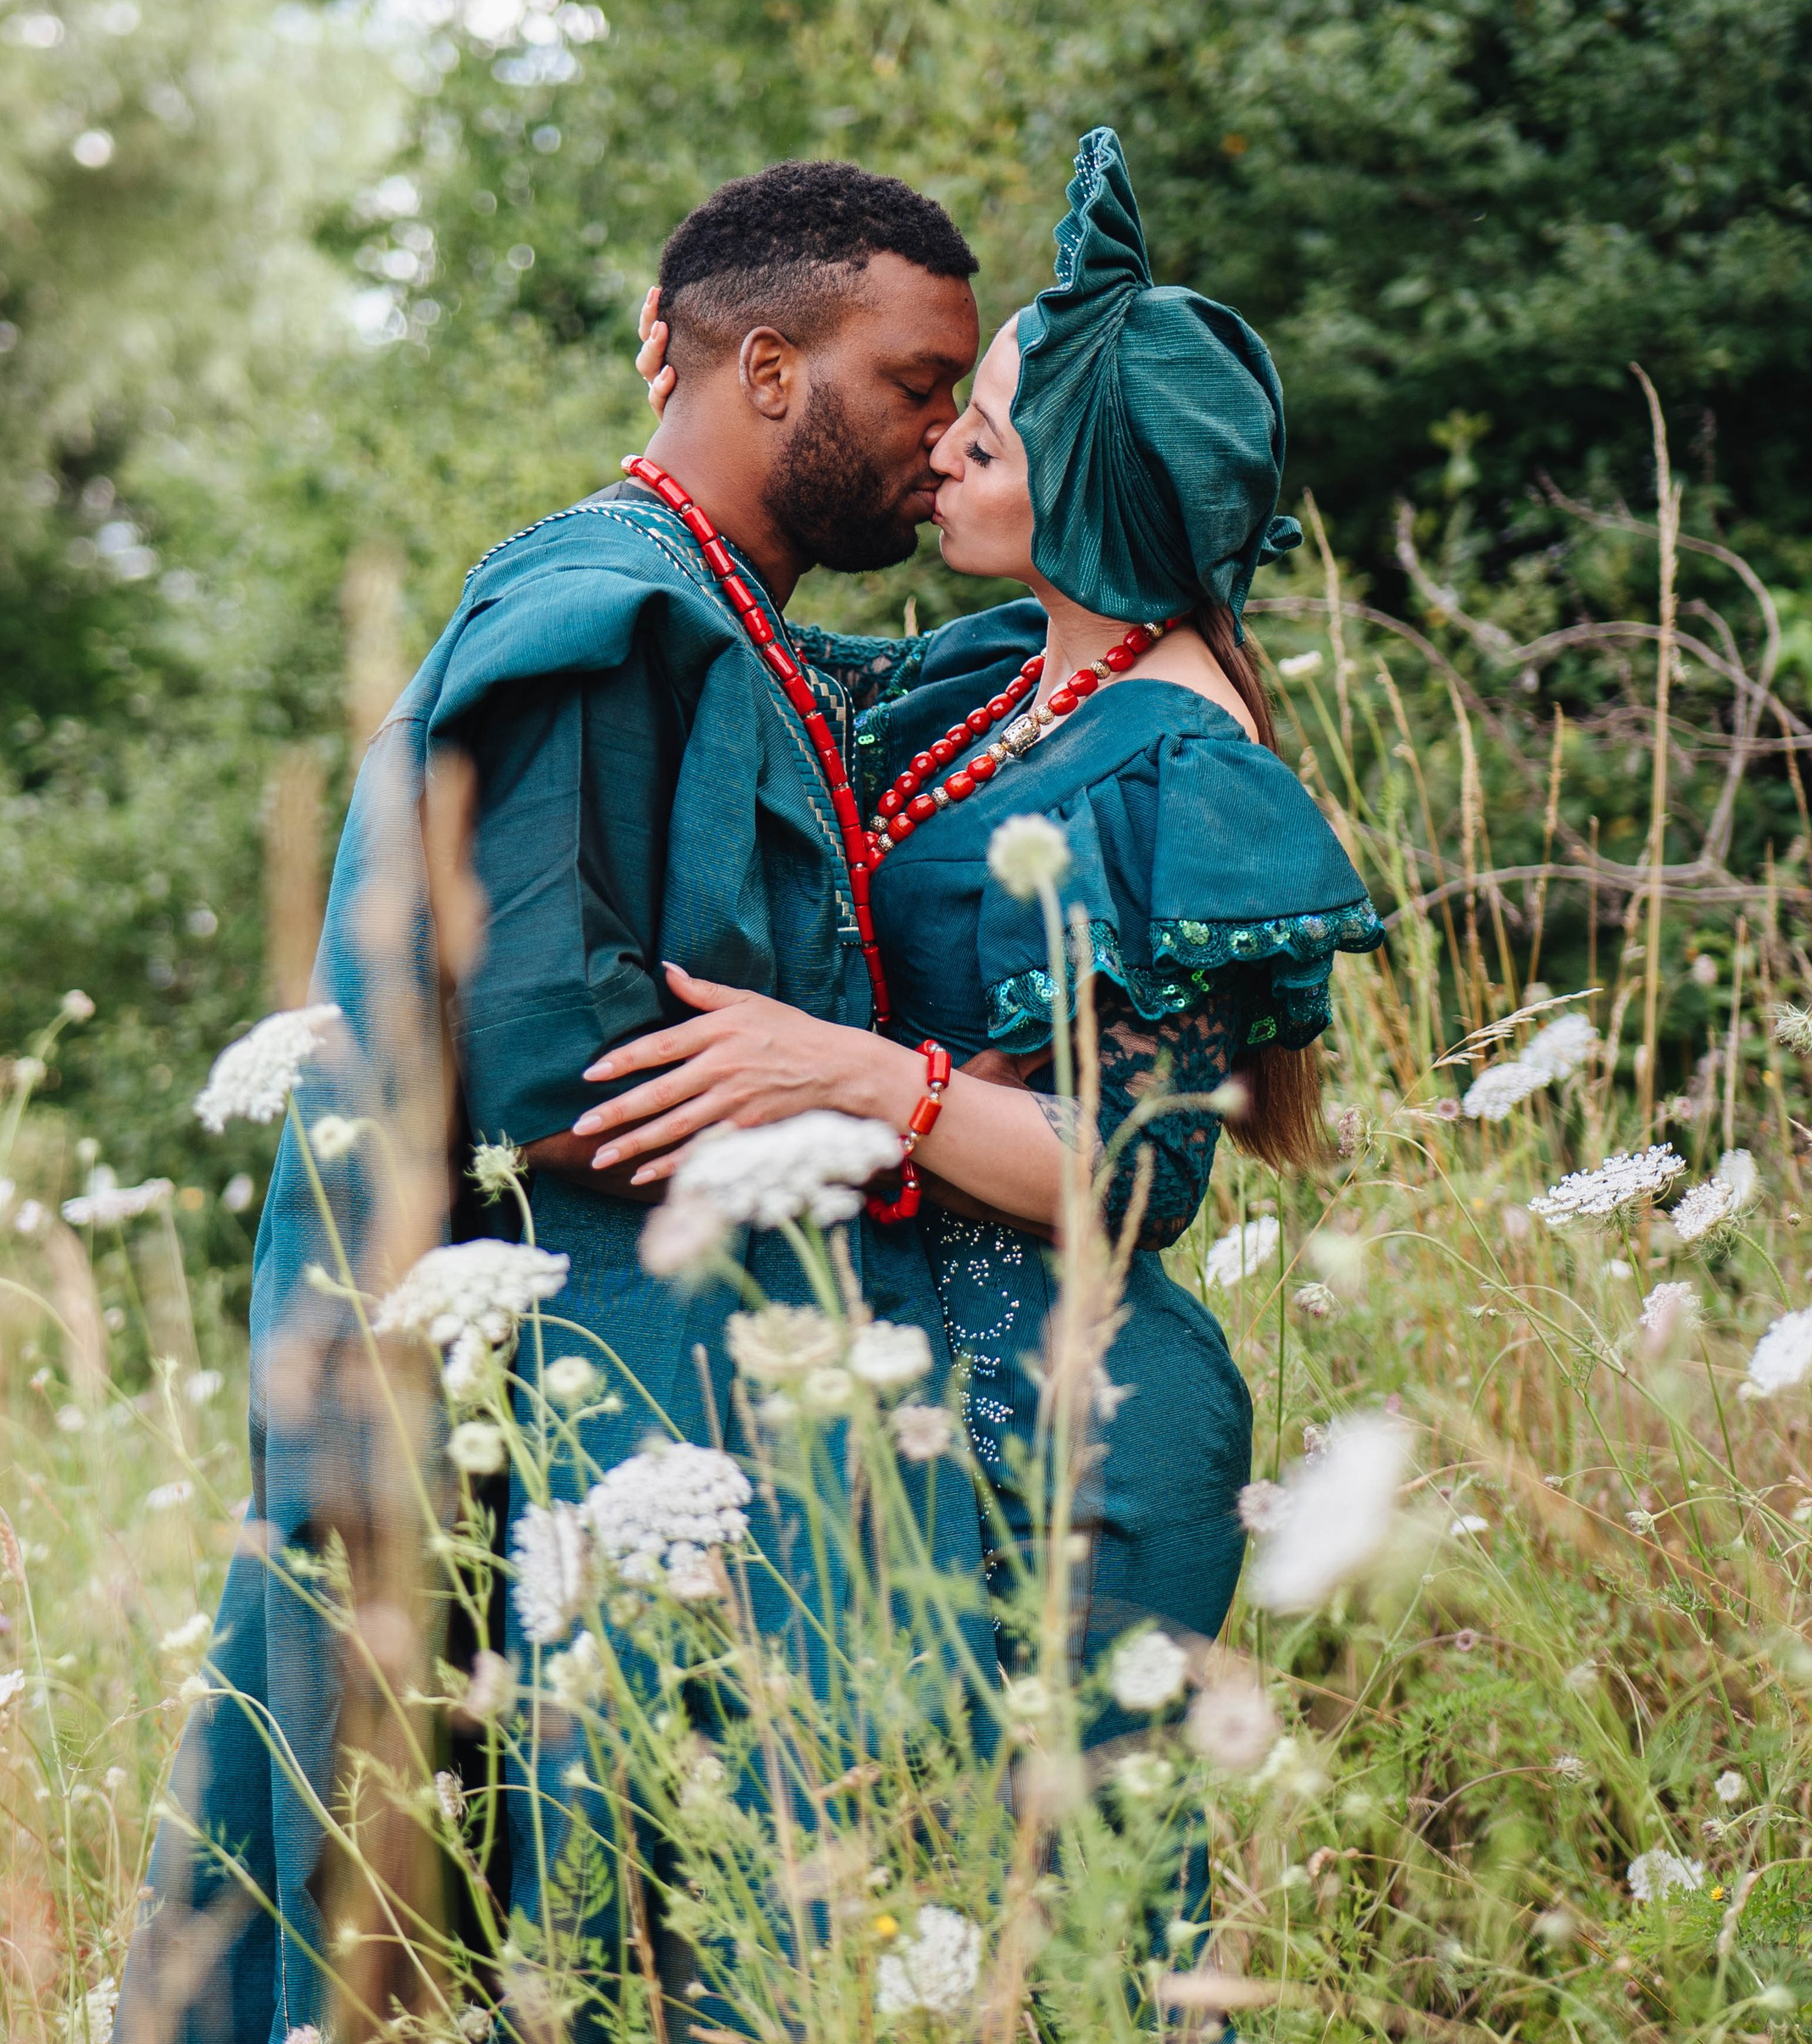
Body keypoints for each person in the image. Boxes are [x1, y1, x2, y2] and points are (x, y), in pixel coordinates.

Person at [94, 160, 987, 2044]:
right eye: (914, 383)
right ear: (758, 364)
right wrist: (875, 1128)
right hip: (500, 1433)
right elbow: (530, 1048)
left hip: (600, 1413)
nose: (942, 430)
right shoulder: (602, 611)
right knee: (454, 1971)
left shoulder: (726, 612)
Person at [579, 125, 1383, 1680]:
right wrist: (686, 387)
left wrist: (867, 1079)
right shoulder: (1007, 680)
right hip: (914, 1398)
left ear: (1086, 497)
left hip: (1067, 1432)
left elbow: (1145, 1178)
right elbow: (737, 642)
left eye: (992, 444)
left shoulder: (1177, 764)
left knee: (1056, 1897)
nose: (943, 450)